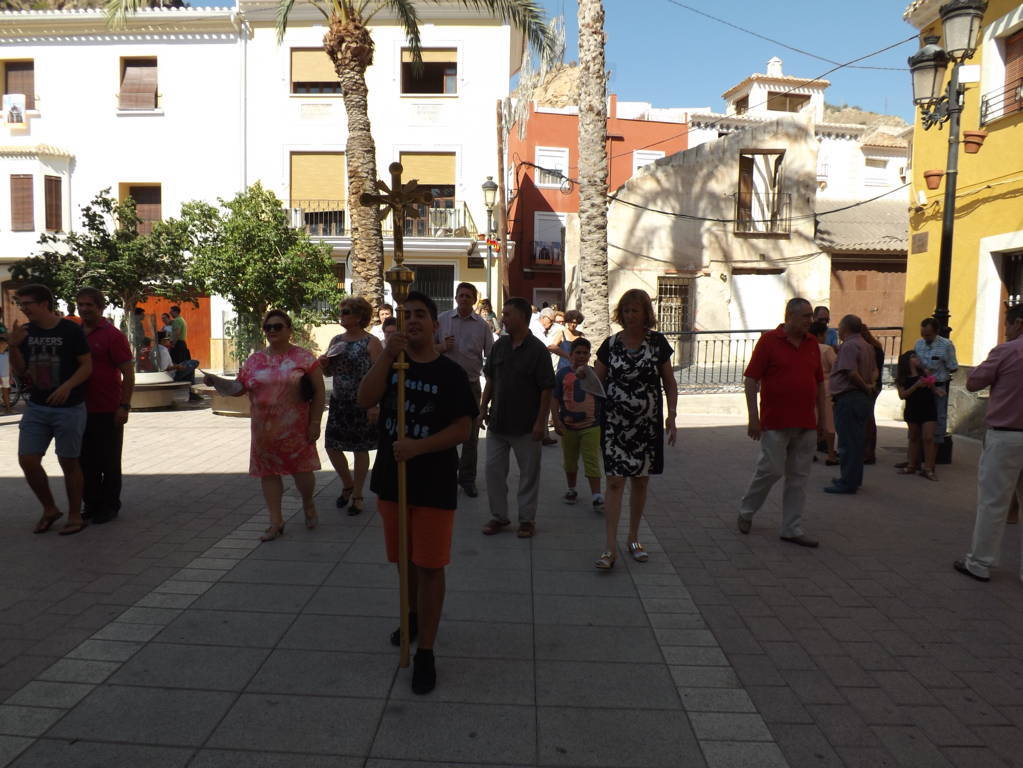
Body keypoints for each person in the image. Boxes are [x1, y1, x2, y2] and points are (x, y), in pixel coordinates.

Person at [357, 291, 477, 695]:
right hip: (392, 481)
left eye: (420, 314)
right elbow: (364, 398)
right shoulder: (392, 366)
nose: (412, 320)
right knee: (403, 561)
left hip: (433, 483)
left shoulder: (450, 374)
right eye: (406, 314)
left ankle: (426, 650)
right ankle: (411, 616)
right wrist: (387, 357)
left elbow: (463, 428)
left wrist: (418, 447)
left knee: (429, 566)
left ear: (434, 324)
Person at [208, 310, 325, 540]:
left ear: (289, 330)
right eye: (268, 327)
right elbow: (239, 388)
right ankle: (275, 521)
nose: (272, 331)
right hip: (264, 430)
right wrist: (218, 383)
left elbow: (319, 392)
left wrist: (315, 422)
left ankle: (308, 503)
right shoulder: (255, 360)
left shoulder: (304, 358)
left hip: (296, 429)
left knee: (302, 471)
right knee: (268, 473)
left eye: (277, 326)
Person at [593, 289, 678, 568]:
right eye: (626, 310)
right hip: (615, 426)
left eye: (635, 310)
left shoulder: (657, 343)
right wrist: (583, 375)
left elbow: (669, 382)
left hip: (646, 426)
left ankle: (633, 538)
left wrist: (672, 415)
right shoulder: (610, 344)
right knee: (614, 482)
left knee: (640, 481)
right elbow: (597, 382)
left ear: (645, 314)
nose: (630, 315)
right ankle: (609, 547)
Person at [737, 299, 826, 548]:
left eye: (811, 316)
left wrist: (824, 419)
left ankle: (791, 528)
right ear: (789, 316)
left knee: (799, 477)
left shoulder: (812, 343)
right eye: (805, 316)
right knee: (771, 470)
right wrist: (753, 417)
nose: (810, 321)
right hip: (775, 421)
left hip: (806, 422)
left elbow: (819, 383)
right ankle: (746, 511)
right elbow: (751, 380)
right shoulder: (769, 341)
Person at [9, 284, 93, 536]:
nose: (24, 308)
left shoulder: (70, 330)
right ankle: (49, 509)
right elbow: (21, 371)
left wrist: (67, 386)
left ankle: (75, 515)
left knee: (69, 462)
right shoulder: (26, 332)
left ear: (44, 303)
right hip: (36, 407)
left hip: (69, 407)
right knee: (27, 460)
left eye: (27, 304)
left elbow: (86, 366)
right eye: (21, 304)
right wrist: (13, 346)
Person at [954, 304, 1023, 582]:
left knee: (993, 502)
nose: (1005, 330)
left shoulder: (1007, 351)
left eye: (1008, 324)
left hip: (1005, 436)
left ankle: (980, 562)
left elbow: (973, 382)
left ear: (1019, 323)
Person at [480, 297, 555, 539]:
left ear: (522, 317)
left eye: (507, 314)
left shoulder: (538, 350)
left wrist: (541, 423)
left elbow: (546, 389)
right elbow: (490, 379)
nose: (503, 318)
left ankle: (526, 520)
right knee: (493, 472)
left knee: (529, 475)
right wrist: (482, 408)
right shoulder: (499, 346)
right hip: (498, 423)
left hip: (526, 426)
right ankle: (499, 516)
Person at [77, 288, 135, 525]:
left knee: (108, 461)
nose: (84, 309)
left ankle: (109, 505)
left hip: (108, 408)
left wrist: (125, 406)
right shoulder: (74, 333)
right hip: (78, 409)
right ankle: (91, 504)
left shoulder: (113, 335)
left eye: (89, 304)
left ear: (100, 307)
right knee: (84, 461)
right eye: (81, 304)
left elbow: (128, 373)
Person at [321, 297, 382, 516]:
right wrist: (324, 365)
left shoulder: (371, 342)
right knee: (331, 446)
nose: (341, 315)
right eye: (341, 311)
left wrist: (374, 404)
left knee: (360, 449)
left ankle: (357, 495)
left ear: (358, 316)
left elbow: (379, 374)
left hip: (362, 403)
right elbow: (329, 372)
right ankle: (347, 483)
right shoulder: (336, 340)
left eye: (346, 312)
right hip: (339, 402)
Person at [435, 282, 494, 498]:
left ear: (474, 300)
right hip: (444, 385)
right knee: (443, 432)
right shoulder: (441, 320)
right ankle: (445, 476)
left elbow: (491, 357)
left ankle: (467, 479)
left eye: (468, 296)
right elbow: (426, 348)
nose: (464, 299)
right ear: (455, 298)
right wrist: (442, 347)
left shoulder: (482, 326)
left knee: (471, 435)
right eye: (461, 295)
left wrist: (491, 391)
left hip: (471, 385)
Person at [825, 314, 877, 495]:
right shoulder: (867, 345)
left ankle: (847, 482)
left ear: (845, 328)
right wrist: (870, 385)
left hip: (849, 398)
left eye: (839, 326)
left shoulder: (849, 345)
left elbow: (851, 373)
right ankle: (853, 478)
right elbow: (874, 371)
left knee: (847, 443)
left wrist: (865, 387)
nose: (837, 329)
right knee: (856, 441)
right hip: (860, 399)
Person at [552, 337, 604, 512]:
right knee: (570, 460)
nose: (581, 356)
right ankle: (572, 489)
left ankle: (597, 496)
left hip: (591, 425)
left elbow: (602, 395)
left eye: (585, 353)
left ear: (589, 355)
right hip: (568, 426)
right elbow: (555, 398)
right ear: (571, 354)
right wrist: (556, 420)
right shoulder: (562, 374)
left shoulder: (594, 374)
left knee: (591, 459)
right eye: (578, 352)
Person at [894, 350, 939, 481]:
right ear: (907, 361)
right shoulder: (902, 379)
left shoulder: (925, 373)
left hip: (928, 408)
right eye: (913, 357)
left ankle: (928, 469)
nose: (917, 359)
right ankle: (912, 465)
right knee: (914, 437)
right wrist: (916, 385)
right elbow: (902, 395)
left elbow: (933, 388)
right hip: (913, 409)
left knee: (928, 437)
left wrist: (934, 387)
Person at [914, 317, 958, 449]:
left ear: (936, 331)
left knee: (939, 416)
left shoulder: (946, 345)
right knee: (920, 417)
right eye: (923, 334)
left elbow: (953, 366)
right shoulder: (918, 344)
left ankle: (936, 447)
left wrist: (939, 369)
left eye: (928, 335)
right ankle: (920, 447)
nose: (925, 338)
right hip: (922, 387)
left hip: (938, 385)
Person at [812, 321, 838, 465]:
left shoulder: (805, 348)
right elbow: (836, 367)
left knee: (813, 420)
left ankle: (810, 452)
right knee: (829, 421)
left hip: (810, 386)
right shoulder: (826, 349)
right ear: (820, 335)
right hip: (826, 386)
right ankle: (830, 454)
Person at [861, 326, 886, 465]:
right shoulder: (876, 347)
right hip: (875, 385)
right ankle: (869, 452)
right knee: (869, 417)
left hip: (870, 385)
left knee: (868, 418)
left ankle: (868, 452)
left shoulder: (870, 349)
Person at [0, 338, 11, 414]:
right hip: (0, 376)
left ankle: (8, 409)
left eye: (6, 344)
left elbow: (10, 365)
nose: (6, 345)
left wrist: (11, 376)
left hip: (6, 376)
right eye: (4, 343)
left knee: (6, 393)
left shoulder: (7, 354)